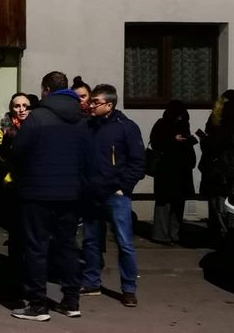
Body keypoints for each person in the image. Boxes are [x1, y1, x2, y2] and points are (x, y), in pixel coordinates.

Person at [10, 71, 84, 321]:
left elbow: (17, 151)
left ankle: (37, 304)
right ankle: (71, 301)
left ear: (46, 90)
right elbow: (89, 155)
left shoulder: (37, 117)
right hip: (71, 193)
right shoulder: (81, 118)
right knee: (67, 246)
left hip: (37, 192)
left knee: (36, 248)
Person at [80, 83, 146, 308]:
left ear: (109, 105)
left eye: (95, 102)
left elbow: (138, 162)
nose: (91, 105)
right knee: (90, 240)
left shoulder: (126, 127)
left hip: (115, 195)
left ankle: (128, 288)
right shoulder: (87, 126)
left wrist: (123, 187)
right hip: (91, 193)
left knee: (124, 242)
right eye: (91, 101)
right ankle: (91, 282)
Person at [198, 89, 234, 243]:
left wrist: (204, 140)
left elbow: (212, 146)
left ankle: (219, 235)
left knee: (216, 206)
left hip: (217, 171)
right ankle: (230, 235)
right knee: (232, 205)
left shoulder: (220, 122)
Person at [0, 92, 30, 297]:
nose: (21, 109)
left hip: (34, 188)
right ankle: (16, 281)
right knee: (16, 238)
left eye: (25, 105)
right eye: (17, 106)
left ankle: (30, 279)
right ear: (11, 108)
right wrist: (7, 143)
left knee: (33, 238)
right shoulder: (5, 129)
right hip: (13, 187)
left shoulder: (36, 127)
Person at [149, 100, 197, 245]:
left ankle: (173, 234)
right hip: (167, 169)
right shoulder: (162, 124)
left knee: (177, 203)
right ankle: (162, 235)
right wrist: (173, 139)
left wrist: (188, 141)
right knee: (165, 203)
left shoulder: (183, 125)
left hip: (179, 170)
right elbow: (156, 142)